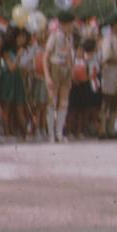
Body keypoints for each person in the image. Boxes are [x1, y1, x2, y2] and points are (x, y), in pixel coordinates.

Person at [42, 14, 76, 143]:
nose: (72, 27)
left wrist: (71, 67)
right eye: (70, 24)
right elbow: (46, 57)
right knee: (52, 100)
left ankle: (59, 132)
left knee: (64, 102)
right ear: (63, 24)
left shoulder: (70, 38)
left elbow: (70, 54)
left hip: (66, 69)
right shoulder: (54, 36)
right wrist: (47, 76)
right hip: (55, 67)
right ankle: (51, 133)